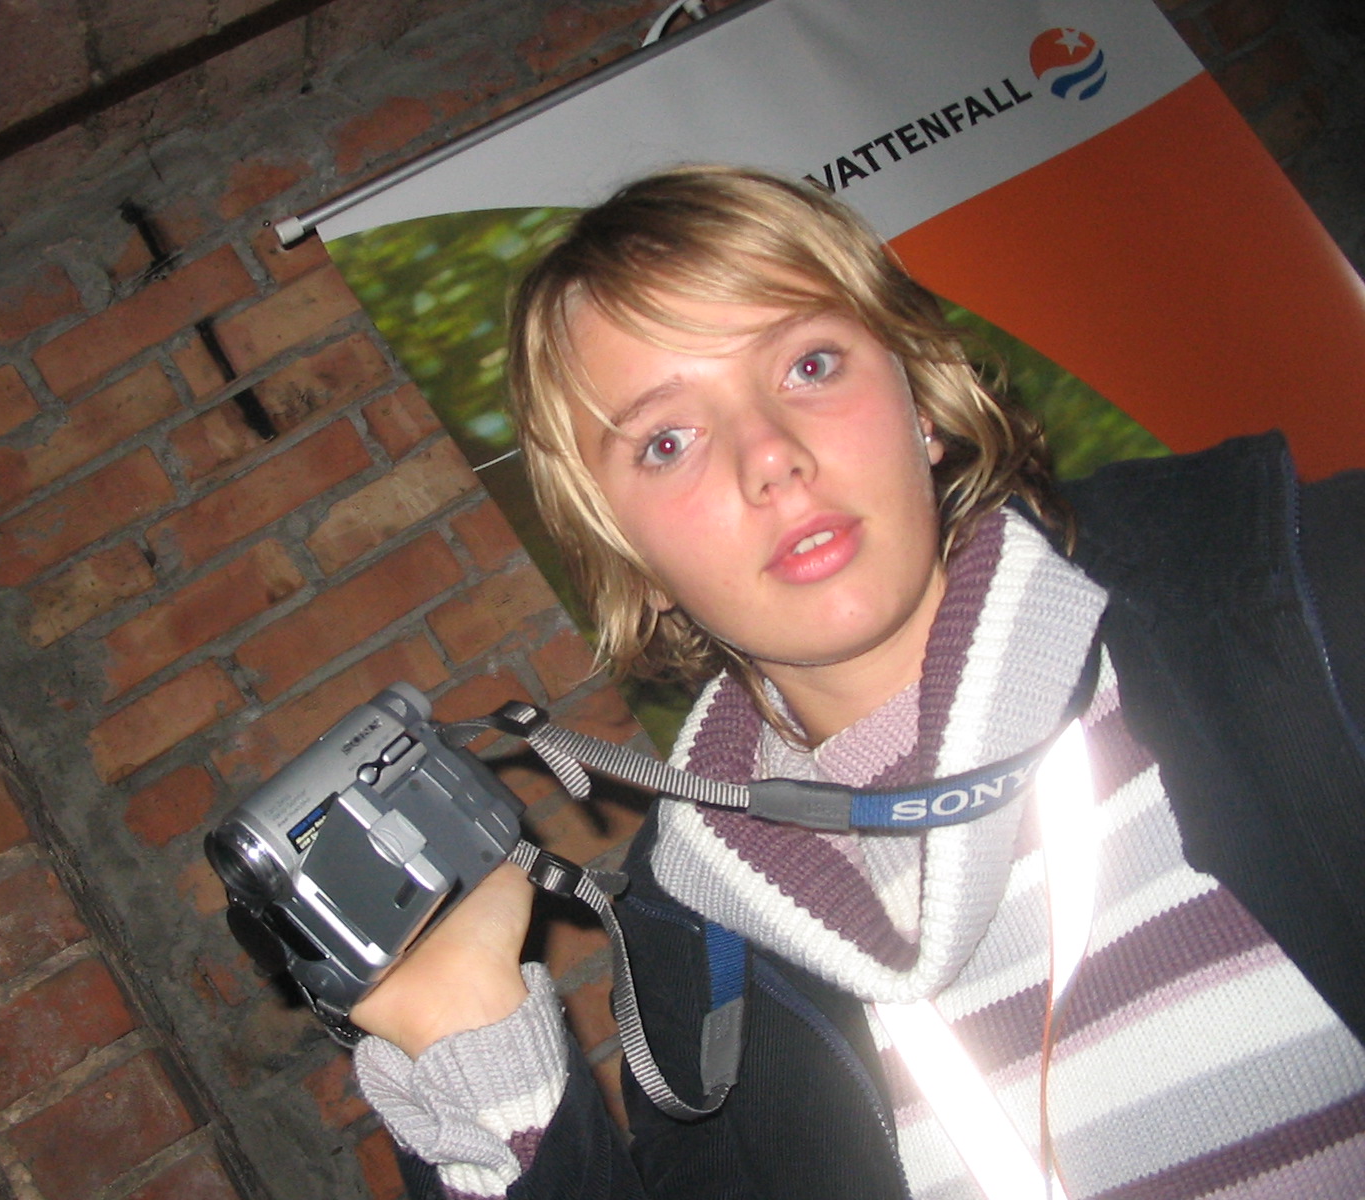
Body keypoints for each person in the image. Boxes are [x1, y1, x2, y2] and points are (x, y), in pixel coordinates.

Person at [346, 165, 1365, 1199]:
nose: (770, 457)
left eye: (809, 364)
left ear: (920, 403)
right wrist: (471, 1047)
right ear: (627, 557)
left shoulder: (1303, 602)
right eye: (667, 441)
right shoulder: (691, 940)